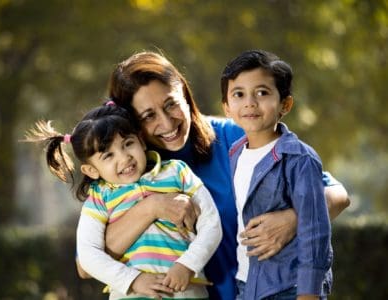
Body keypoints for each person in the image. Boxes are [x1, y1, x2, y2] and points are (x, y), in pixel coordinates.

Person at [81, 51, 350, 299]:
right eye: (149, 115)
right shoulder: (127, 175)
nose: (166, 123)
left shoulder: (239, 135)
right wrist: (152, 207)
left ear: (185, 95)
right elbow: (85, 265)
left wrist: (293, 218)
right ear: (133, 124)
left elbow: (338, 194)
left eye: (171, 104)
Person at [26, 102, 223, 299]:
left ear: (141, 141)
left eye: (128, 144)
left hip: (186, 292)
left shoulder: (177, 172)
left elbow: (211, 222)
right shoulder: (99, 197)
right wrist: (133, 280)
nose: (124, 158)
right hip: (130, 295)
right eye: (108, 155)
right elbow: (88, 255)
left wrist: (188, 265)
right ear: (91, 170)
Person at [221, 49, 332, 299]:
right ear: (226, 107)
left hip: (289, 287)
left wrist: (309, 293)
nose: (250, 102)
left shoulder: (299, 159)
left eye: (262, 92)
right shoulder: (234, 154)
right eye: (239, 94)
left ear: (285, 104)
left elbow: (315, 231)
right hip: (245, 285)